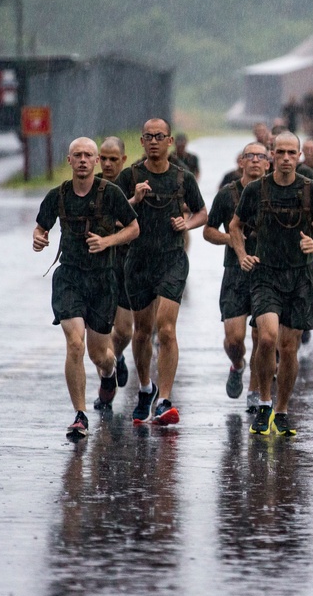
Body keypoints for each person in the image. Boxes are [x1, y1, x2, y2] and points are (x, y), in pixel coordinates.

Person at [228, 131, 313, 436]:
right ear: (272, 156)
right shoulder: (256, 189)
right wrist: (241, 255)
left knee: (289, 348)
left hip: (300, 276)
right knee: (267, 339)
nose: (287, 158)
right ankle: (264, 402)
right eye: (281, 152)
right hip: (266, 274)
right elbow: (235, 227)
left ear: (300, 156)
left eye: (293, 153)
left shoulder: (311, 190)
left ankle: (283, 410)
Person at [33, 137, 139, 438]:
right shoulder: (58, 195)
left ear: (95, 161)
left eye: (88, 155)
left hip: (102, 279)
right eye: (77, 155)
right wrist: (38, 239)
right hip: (69, 277)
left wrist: (107, 241)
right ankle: (80, 415)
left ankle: (109, 373)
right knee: (74, 343)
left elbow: (134, 228)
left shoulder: (112, 194)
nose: (82, 160)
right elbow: (41, 227)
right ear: (69, 160)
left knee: (100, 354)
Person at [116, 118, 207, 426]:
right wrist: (133, 200)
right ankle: (145, 388)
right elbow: (112, 217)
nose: (154, 141)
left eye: (160, 136)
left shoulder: (183, 178)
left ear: (170, 142)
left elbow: (202, 212)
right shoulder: (130, 176)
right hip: (139, 259)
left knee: (166, 329)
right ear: (141, 141)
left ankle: (165, 399)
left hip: (171, 259)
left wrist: (188, 223)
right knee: (142, 333)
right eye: (148, 137)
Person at [204, 142, 270, 413]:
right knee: (234, 339)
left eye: (261, 156)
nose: (255, 160)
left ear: (269, 163)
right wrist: (230, 239)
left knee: (260, 336)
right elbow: (208, 231)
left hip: (266, 274)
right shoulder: (227, 195)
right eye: (249, 156)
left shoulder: (275, 194)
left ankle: (254, 390)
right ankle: (237, 365)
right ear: (241, 162)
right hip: (234, 273)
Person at [95, 137, 134, 398]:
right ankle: (105, 385)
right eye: (103, 158)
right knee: (98, 333)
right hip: (98, 267)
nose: (108, 164)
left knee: (123, 331)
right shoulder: (92, 184)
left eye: (113, 159)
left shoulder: (135, 182)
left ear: (123, 159)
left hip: (126, 265)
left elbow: (137, 224)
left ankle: (117, 356)